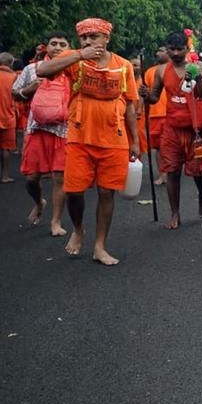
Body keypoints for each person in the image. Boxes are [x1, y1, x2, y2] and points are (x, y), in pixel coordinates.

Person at [37, 18, 140, 266]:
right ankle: (79, 229)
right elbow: (42, 71)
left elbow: (129, 106)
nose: (88, 41)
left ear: (106, 39)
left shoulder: (123, 66)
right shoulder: (75, 58)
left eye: (94, 37)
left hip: (114, 138)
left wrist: (135, 140)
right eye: (84, 37)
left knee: (107, 193)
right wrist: (78, 55)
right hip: (79, 137)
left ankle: (100, 246)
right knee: (73, 191)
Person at [140, 31, 202, 229]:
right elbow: (154, 97)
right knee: (171, 171)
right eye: (171, 49)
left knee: (199, 173)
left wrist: (197, 79)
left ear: (187, 49)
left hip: (194, 130)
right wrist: (145, 95)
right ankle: (175, 213)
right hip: (171, 129)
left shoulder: (197, 67)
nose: (175, 53)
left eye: (180, 49)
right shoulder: (162, 71)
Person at [13, 33, 71, 233]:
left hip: (64, 132)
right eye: (53, 43)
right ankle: (39, 202)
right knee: (31, 179)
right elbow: (14, 93)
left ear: (69, 49)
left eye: (62, 44)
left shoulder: (73, 70)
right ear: (46, 47)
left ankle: (56, 221)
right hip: (35, 129)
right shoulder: (31, 69)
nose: (57, 47)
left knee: (60, 179)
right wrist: (30, 88)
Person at [142, 45, 169, 185]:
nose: (158, 53)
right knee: (158, 148)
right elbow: (145, 94)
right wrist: (141, 112)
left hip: (172, 114)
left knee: (171, 147)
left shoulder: (175, 69)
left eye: (161, 50)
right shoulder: (150, 72)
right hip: (155, 115)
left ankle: (172, 172)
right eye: (157, 50)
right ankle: (162, 174)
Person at [0, 52, 17, 183]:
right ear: (11, 63)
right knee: (5, 148)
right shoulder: (13, 76)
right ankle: (4, 176)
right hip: (8, 116)